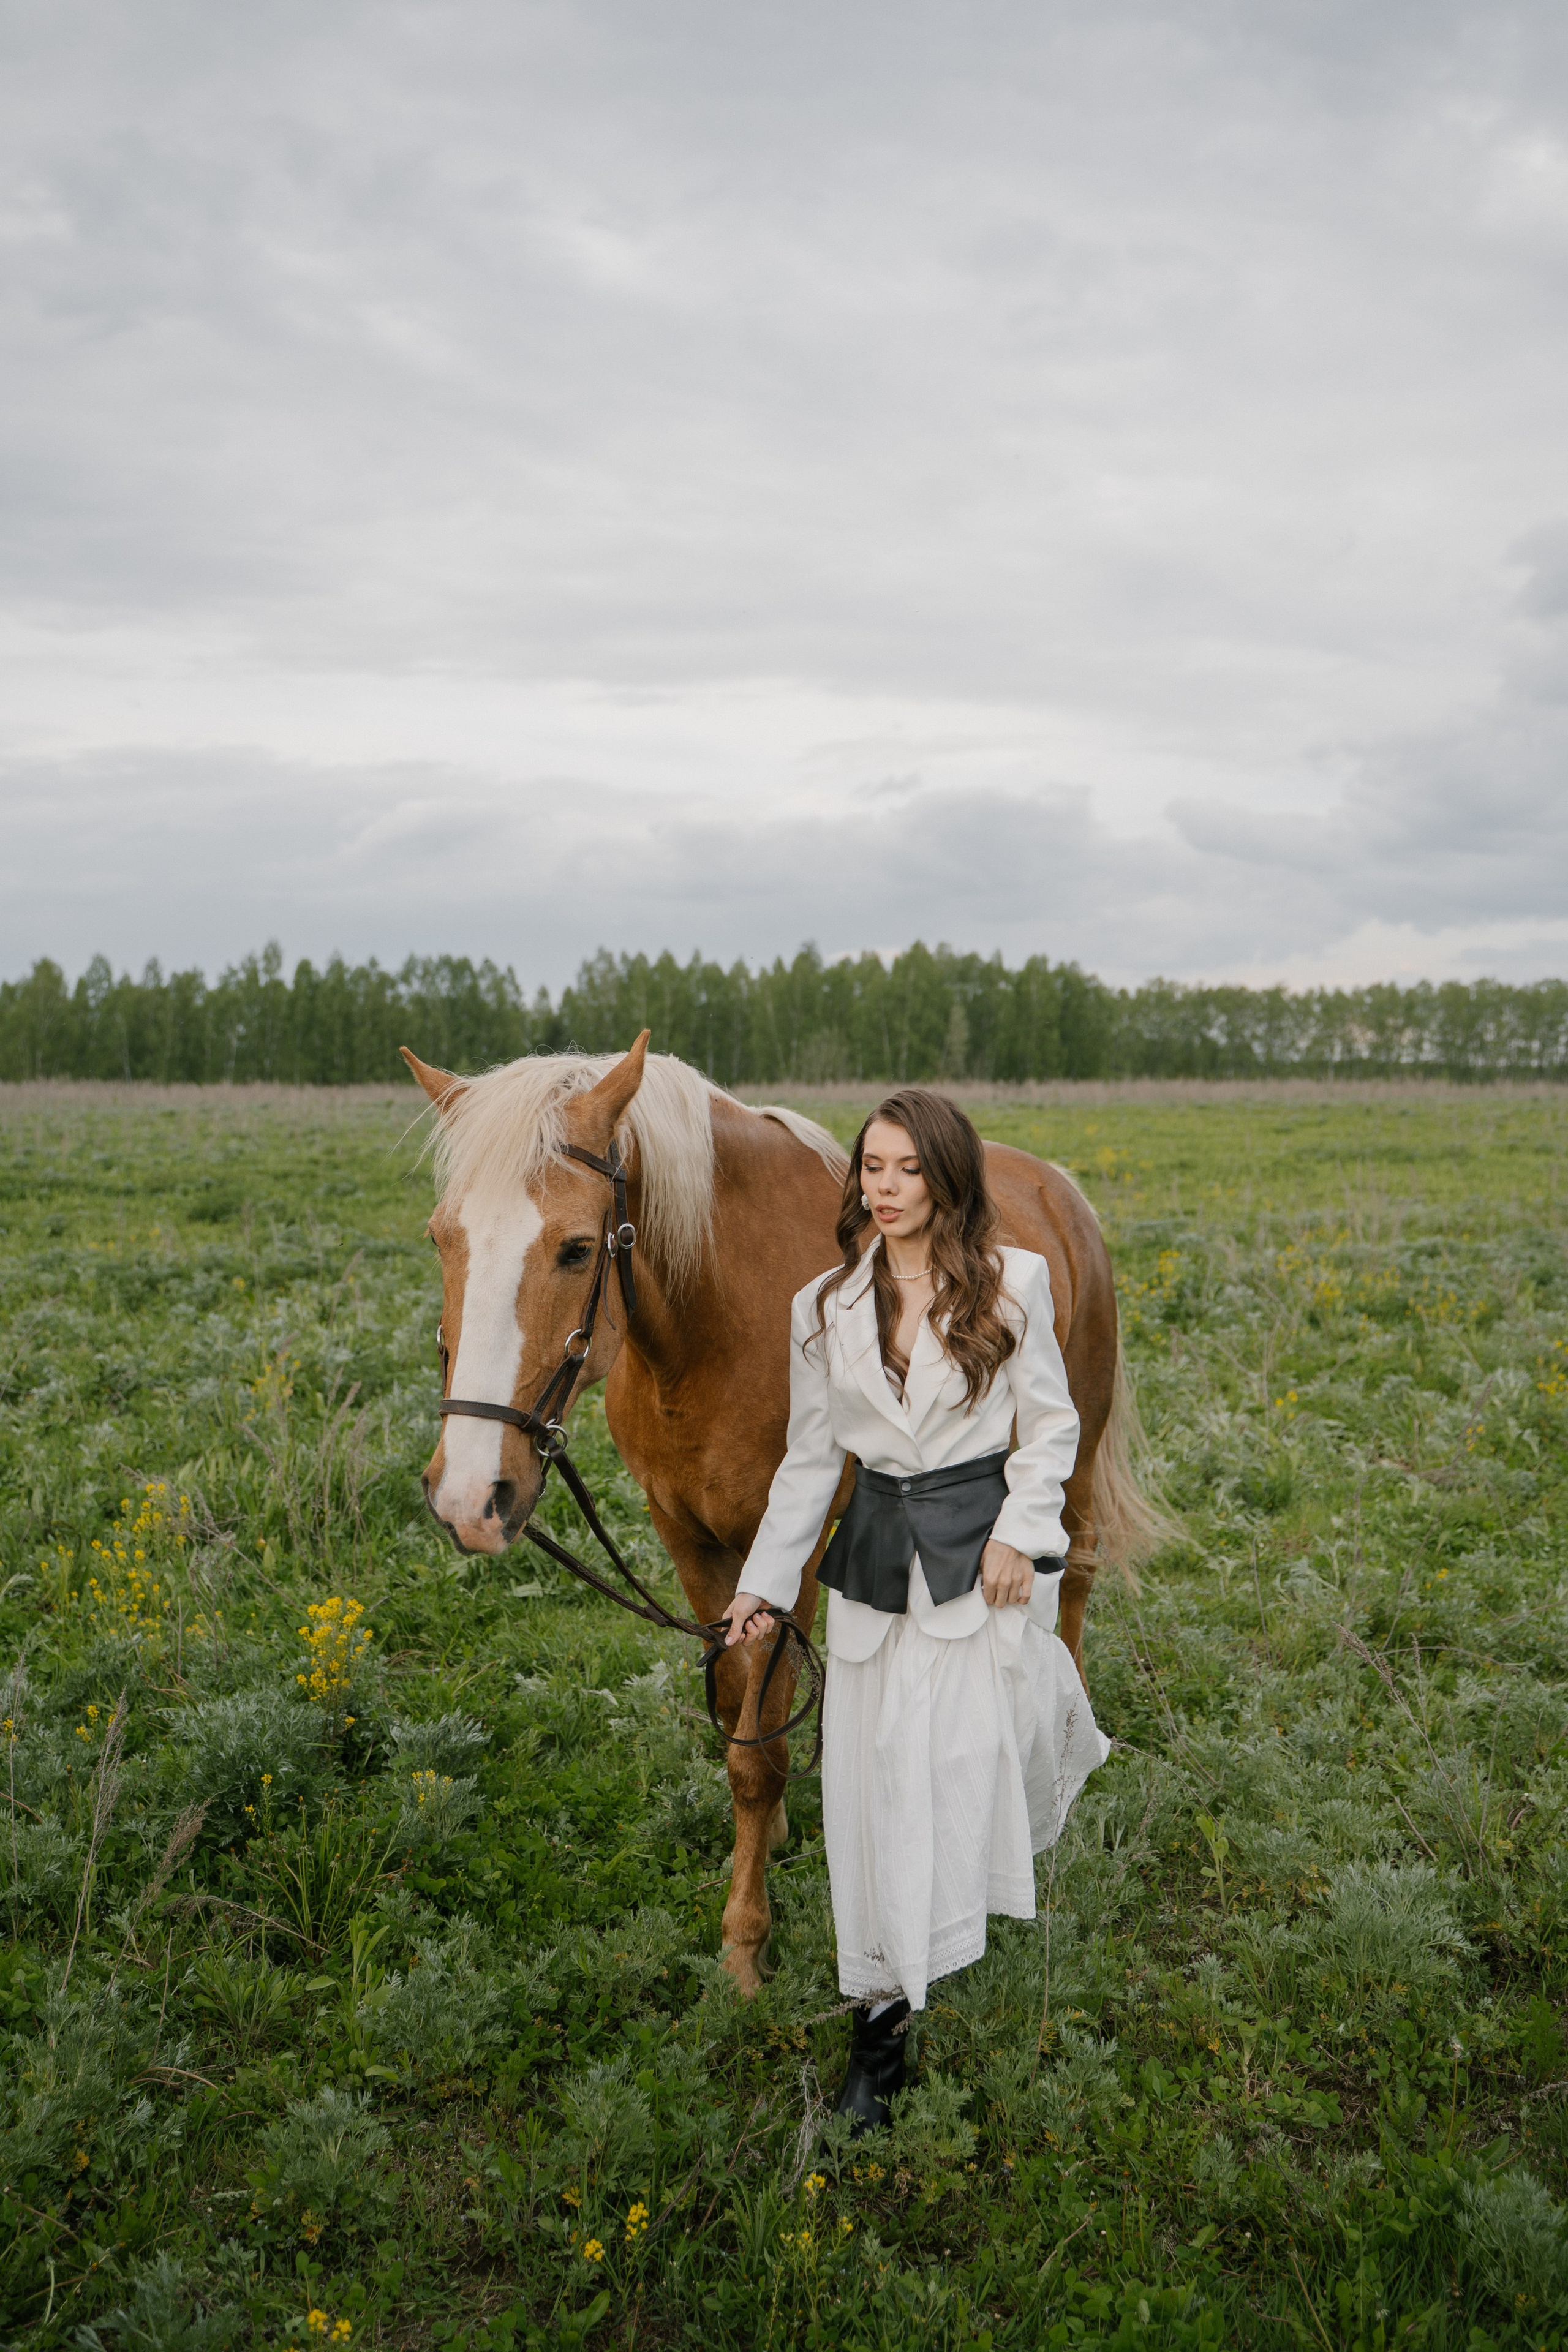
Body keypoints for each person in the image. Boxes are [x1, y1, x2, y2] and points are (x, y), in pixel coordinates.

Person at [722, 1088, 1110, 2133]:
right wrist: (762, 1585)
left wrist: (1019, 1534)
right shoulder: (823, 1307)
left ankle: (938, 1937)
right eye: (872, 1167)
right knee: (873, 1787)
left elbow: (1052, 1430)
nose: (886, 1188)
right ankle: (879, 2034)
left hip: (979, 1571)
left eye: (908, 1169)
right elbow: (811, 1463)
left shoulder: (1013, 1283)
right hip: (872, 1571)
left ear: (946, 1179)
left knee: (956, 1768)